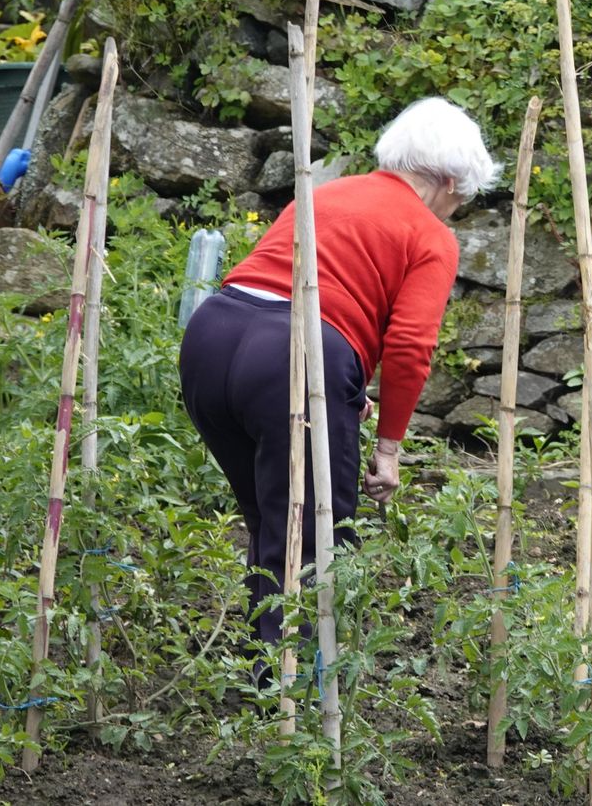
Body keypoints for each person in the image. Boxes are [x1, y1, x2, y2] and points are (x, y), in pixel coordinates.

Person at [178, 97, 499, 651]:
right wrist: (390, 448)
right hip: (294, 355)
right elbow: (408, 348)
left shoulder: (324, 193)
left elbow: (298, 290)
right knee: (314, 534)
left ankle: (263, 669)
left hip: (212, 336)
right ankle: (294, 695)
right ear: (449, 180)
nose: (456, 210)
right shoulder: (429, 235)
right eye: (461, 198)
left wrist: (342, 385)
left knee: (270, 516)